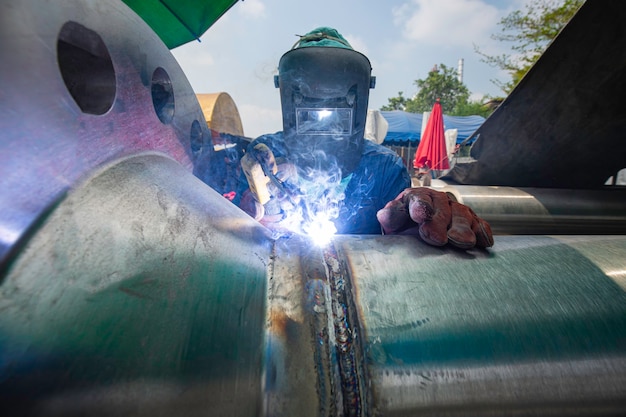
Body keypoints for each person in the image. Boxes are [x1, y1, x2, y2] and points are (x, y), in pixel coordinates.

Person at [234, 27, 493, 249]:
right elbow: (231, 229)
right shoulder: (265, 154)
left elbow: (402, 241)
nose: (322, 120)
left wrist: (419, 224)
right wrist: (245, 214)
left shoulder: (383, 167)